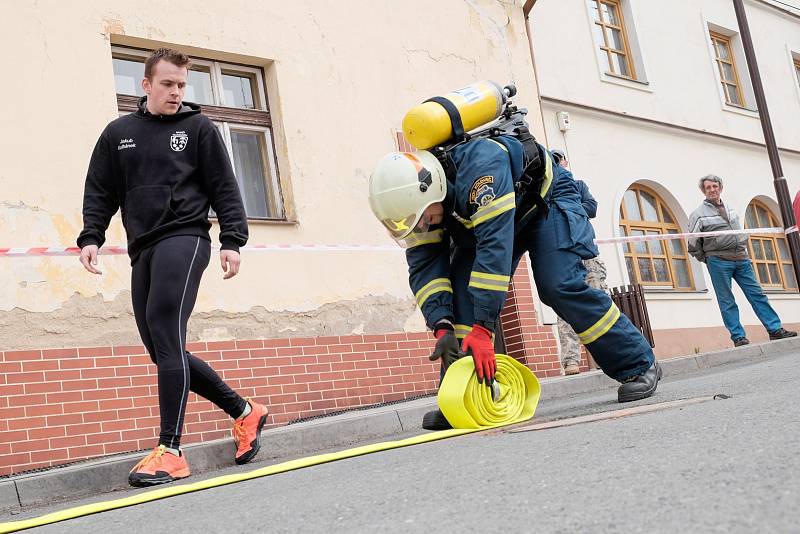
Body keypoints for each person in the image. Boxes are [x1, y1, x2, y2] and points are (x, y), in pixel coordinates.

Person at [369, 128, 661, 430]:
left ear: (431, 190)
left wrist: (482, 329)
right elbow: (426, 271)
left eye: (423, 218)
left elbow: (494, 249)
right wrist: (441, 326)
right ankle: (464, 397)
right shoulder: (421, 209)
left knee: (558, 284)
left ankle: (638, 365)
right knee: (462, 298)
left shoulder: (481, 172)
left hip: (544, 202)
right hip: (490, 220)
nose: (421, 225)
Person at [77, 48, 269, 487]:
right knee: (163, 349)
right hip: (142, 248)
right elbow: (100, 190)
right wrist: (91, 235)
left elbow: (224, 184)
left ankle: (171, 450)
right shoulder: (118, 133)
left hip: (185, 238)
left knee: (165, 329)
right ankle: (245, 411)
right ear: (145, 86)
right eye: (167, 84)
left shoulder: (198, 128)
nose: (176, 92)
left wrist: (232, 240)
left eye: (182, 85)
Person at [688, 174, 797, 347]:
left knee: (757, 295)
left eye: (715, 186)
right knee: (727, 301)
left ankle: (775, 330)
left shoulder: (730, 208)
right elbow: (693, 243)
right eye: (708, 188)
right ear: (703, 191)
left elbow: (738, 231)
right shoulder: (698, 214)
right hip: (718, 261)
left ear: (720, 188)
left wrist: (743, 248)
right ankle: (738, 337)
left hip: (741, 259)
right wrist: (709, 258)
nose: (712, 190)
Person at [550, 150, 606, 375]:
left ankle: (606, 355)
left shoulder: (578, 186)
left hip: (587, 253)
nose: (558, 164)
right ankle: (571, 361)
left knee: (600, 303)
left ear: (566, 162)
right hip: (564, 254)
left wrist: (570, 210)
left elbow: (592, 207)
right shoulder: (548, 189)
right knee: (565, 309)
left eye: (560, 160)